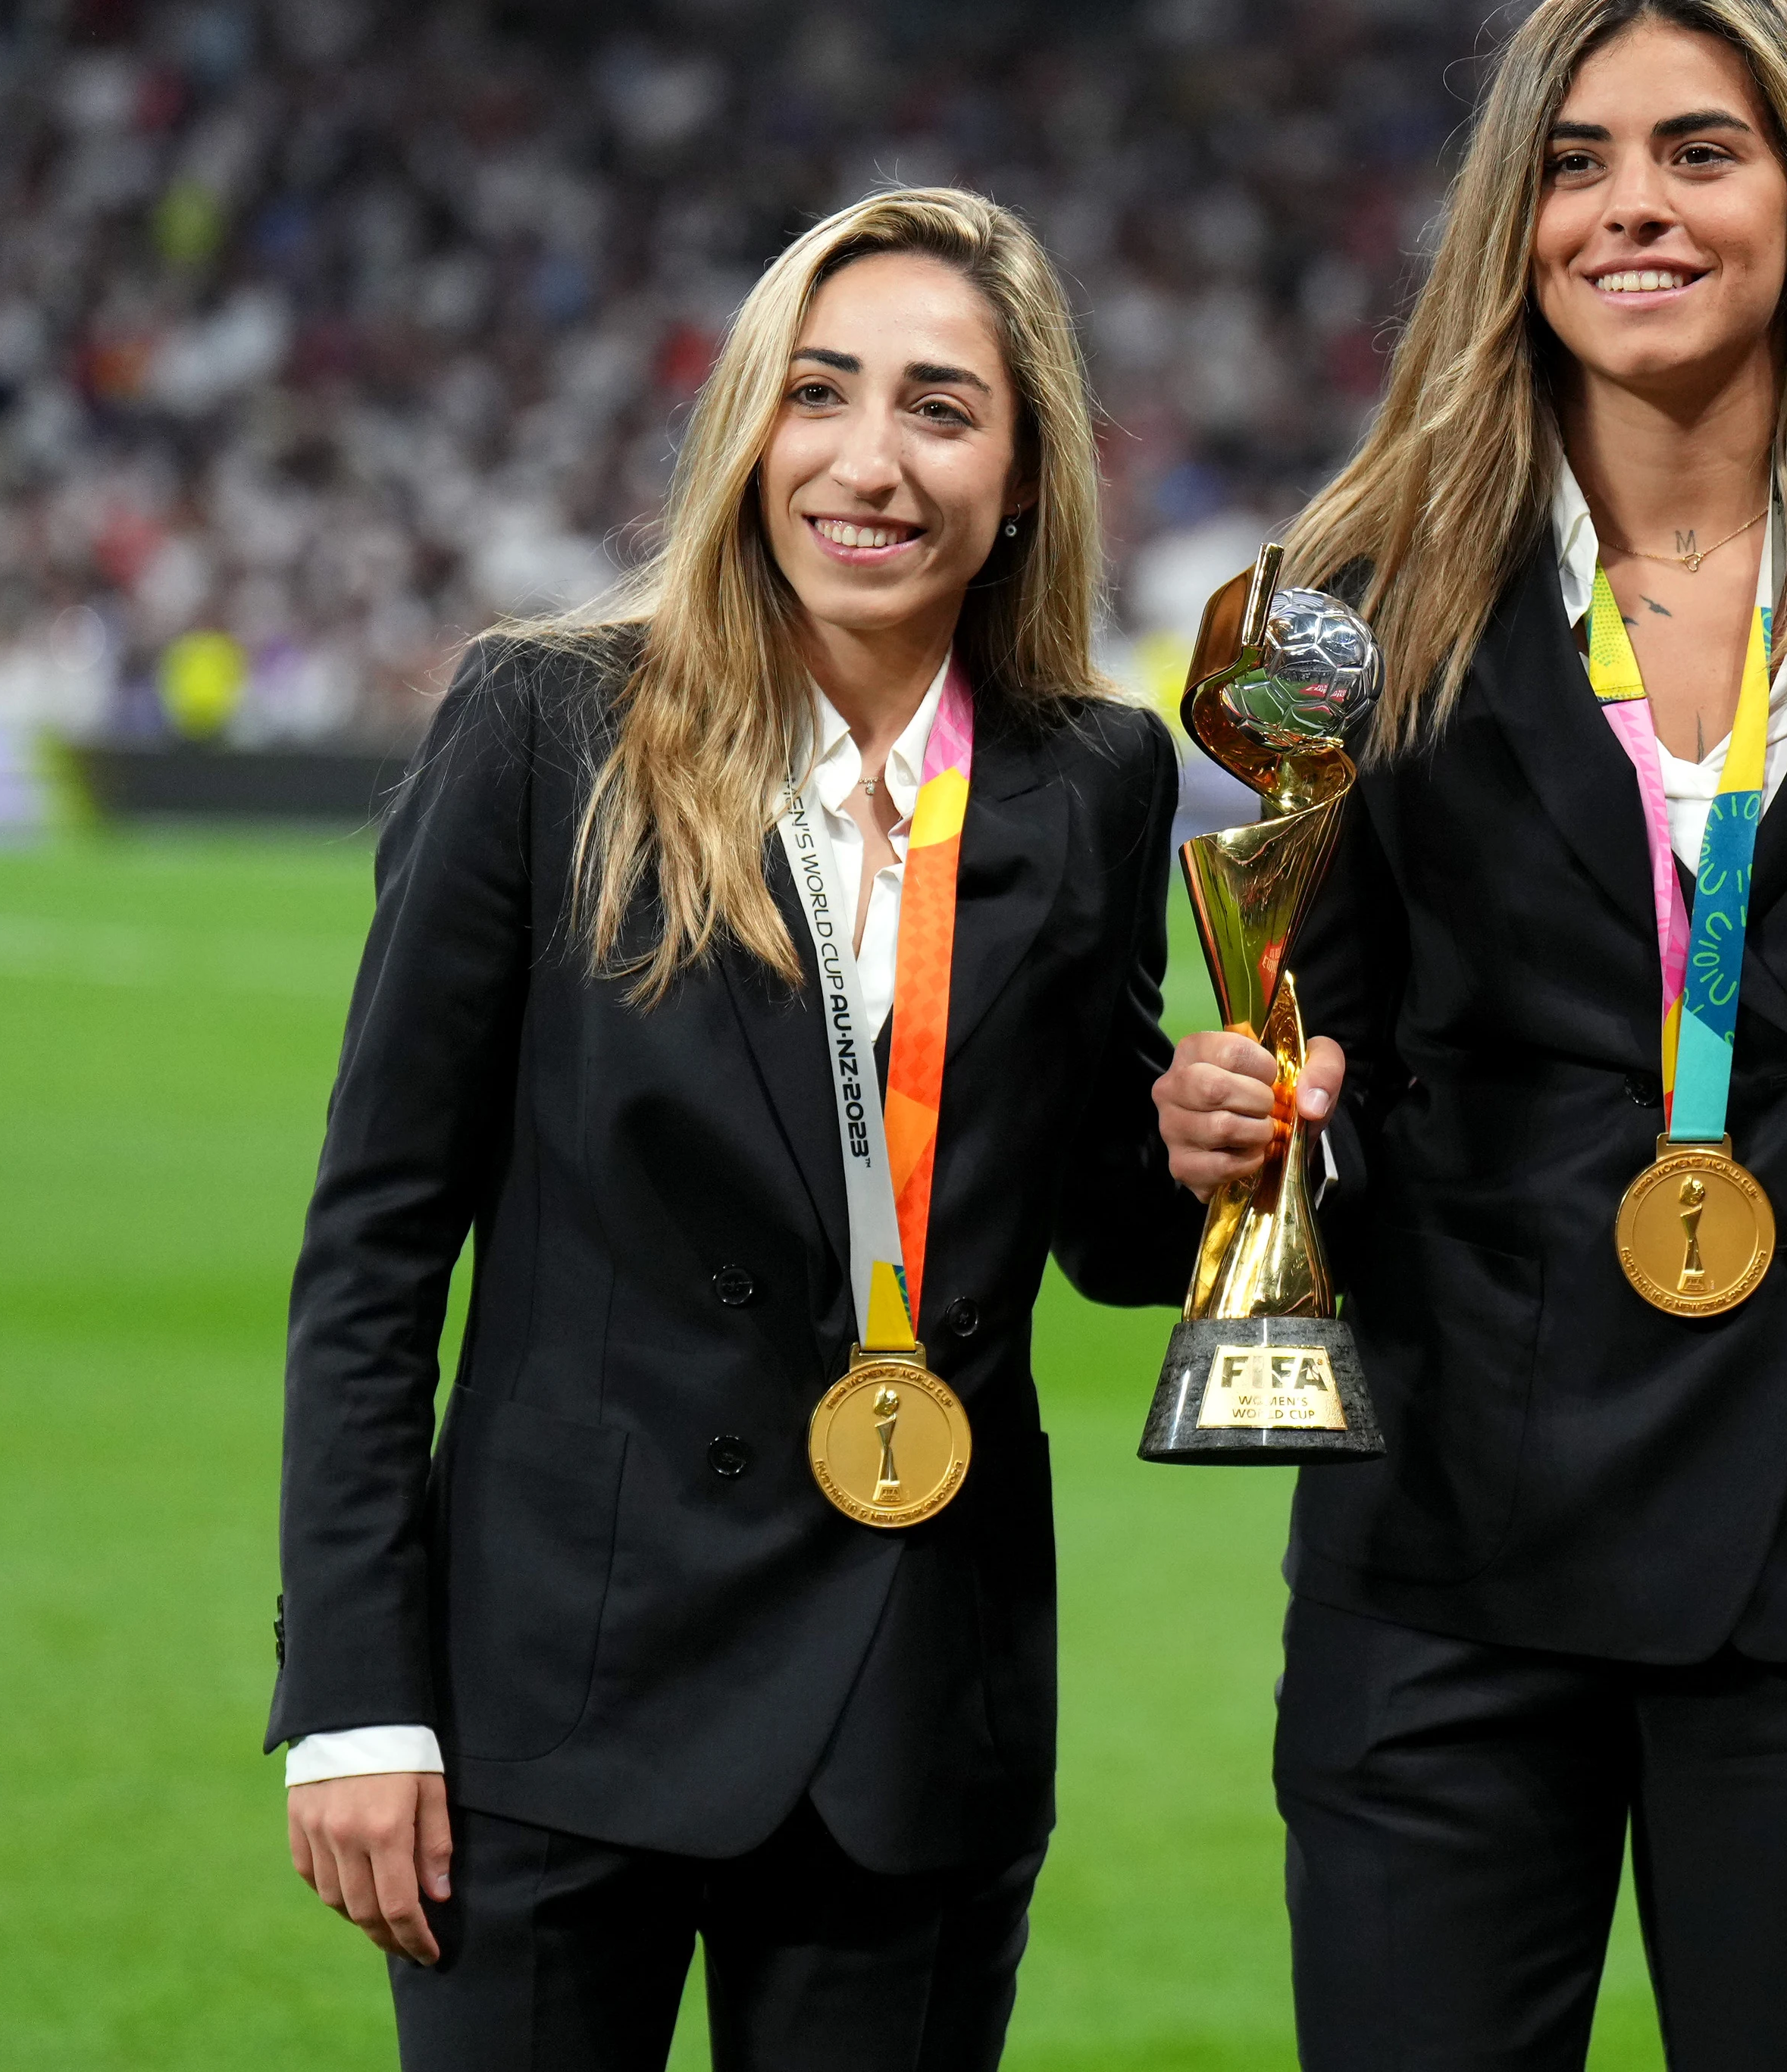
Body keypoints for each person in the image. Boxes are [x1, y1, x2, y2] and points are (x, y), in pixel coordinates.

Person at [1144, 0, 1787, 2071]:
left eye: (1698, 150)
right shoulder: (1346, 582)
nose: (1633, 206)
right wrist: (1251, 1110)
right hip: (1449, 1530)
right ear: (1515, 222)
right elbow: (1326, 1016)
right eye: (1575, 164)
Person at [270, 188, 1200, 2069]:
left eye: (942, 407)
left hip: (908, 1704)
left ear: (1022, 474)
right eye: (820, 392)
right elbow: (375, 1242)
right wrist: (358, 1698)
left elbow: (1108, 1229)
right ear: (747, 428)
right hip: (552, 1702)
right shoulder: (548, 725)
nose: (869, 461)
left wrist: (1213, 1148)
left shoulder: (1095, 777)